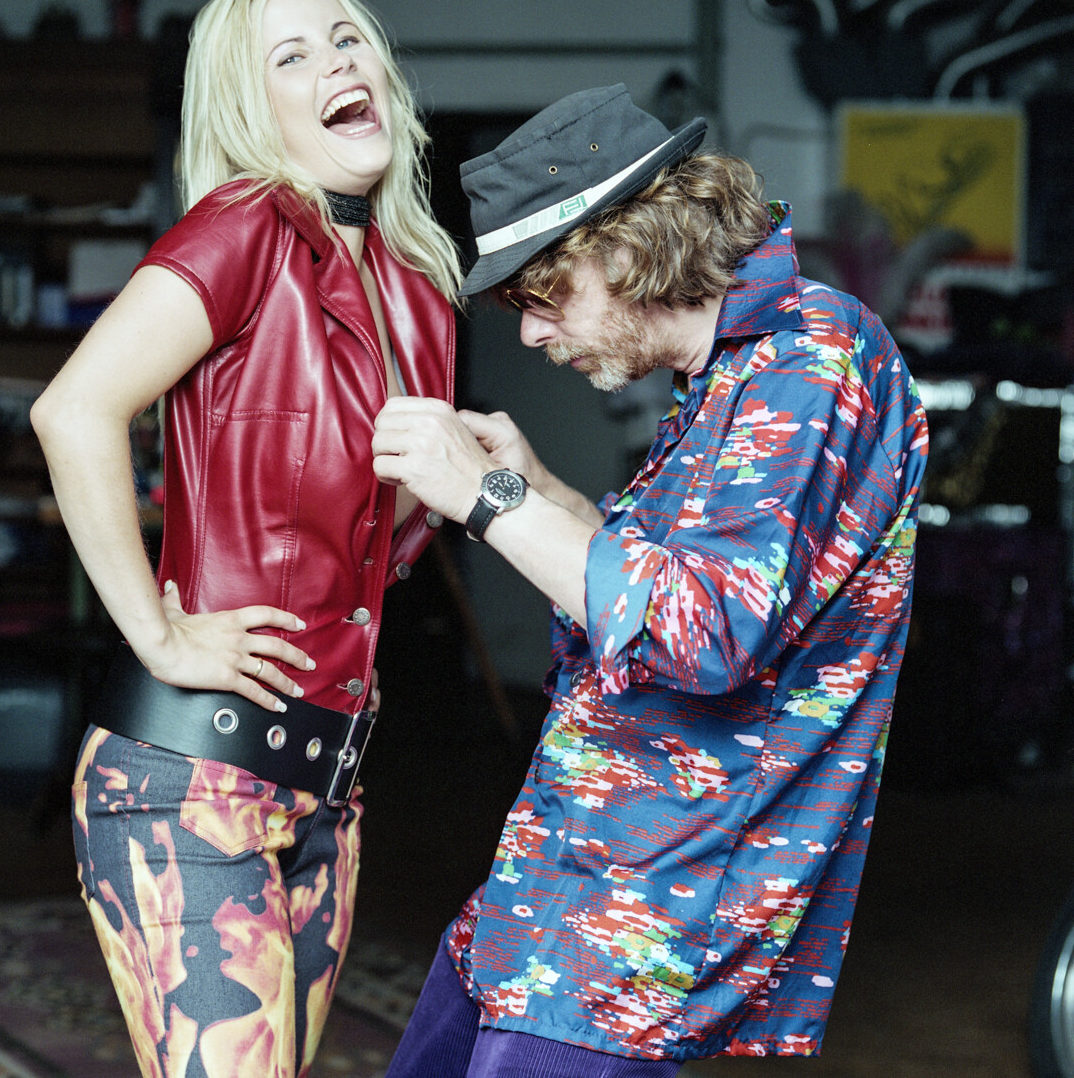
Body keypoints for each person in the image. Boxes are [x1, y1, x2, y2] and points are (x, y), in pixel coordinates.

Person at [371, 84, 928, 1074]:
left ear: (627, 249)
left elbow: (707, 633)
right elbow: (648, 586)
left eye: (542, 296)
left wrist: (486, 501)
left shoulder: (811, 360)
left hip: (648, 916)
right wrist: (533, 488)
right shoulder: (722, 374)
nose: (530, 334)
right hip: (561, 874)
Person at [30, 0, 460, 1078]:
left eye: (347, 39)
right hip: (188, 779)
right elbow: (73, 410)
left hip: (327, 787)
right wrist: (158, 634)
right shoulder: (245, 228)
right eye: (293, 56)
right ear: (248, 106)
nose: (337, 64)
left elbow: (374, 542)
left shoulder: (418, 285)